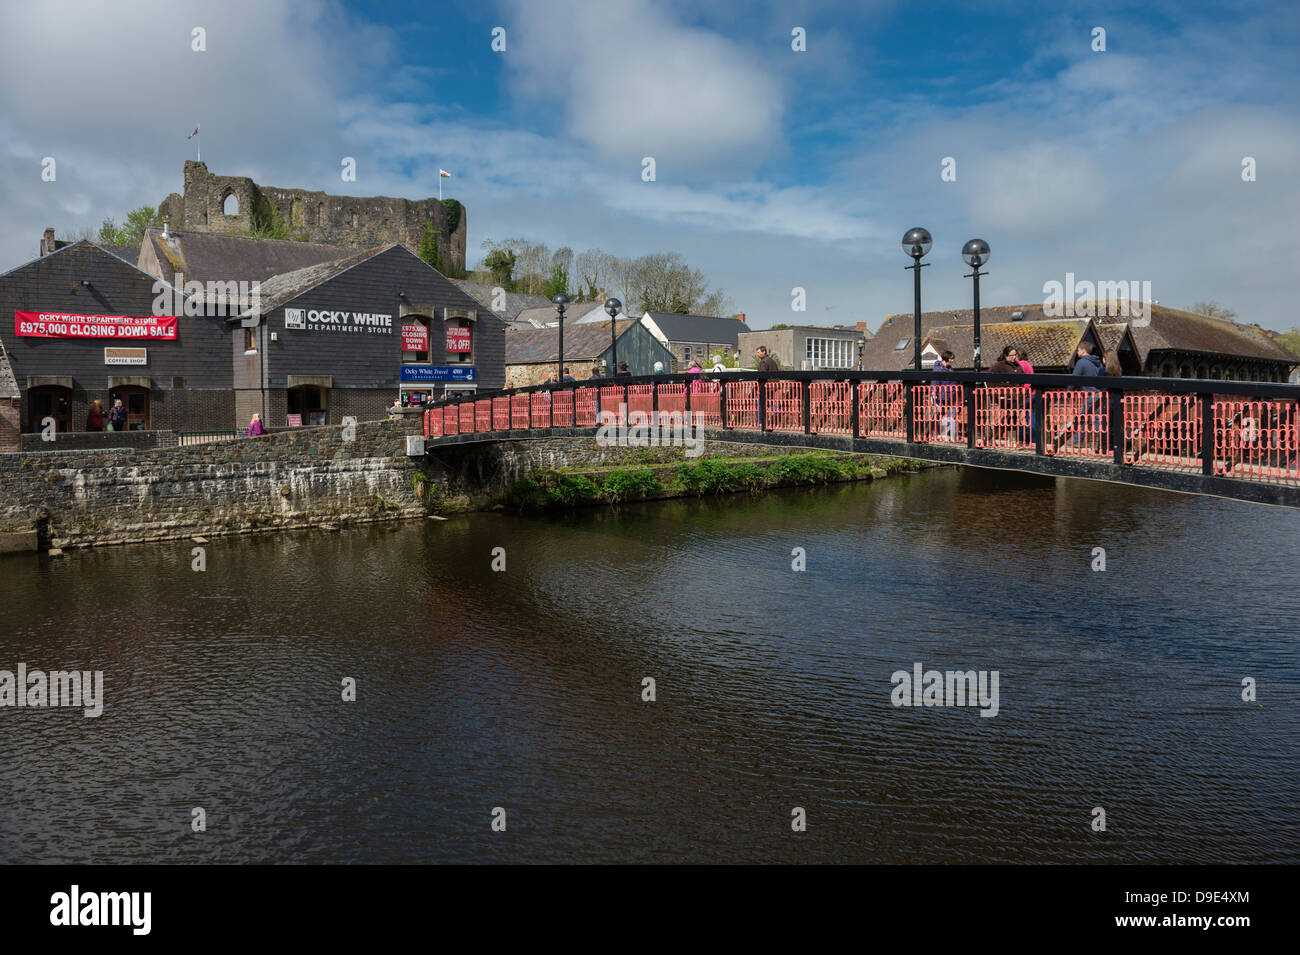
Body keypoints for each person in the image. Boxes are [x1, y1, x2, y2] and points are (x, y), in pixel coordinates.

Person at [930, 350, 960, 441]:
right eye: (951, 359)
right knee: (936, 416)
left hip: (950, 397)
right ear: (946, 359)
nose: (952, 360)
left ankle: (951, 436)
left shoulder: (951, 369)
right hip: (940, 398)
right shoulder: (937, 370)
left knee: (952, 416)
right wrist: (934, 398)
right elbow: (934, 383)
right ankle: (930, 433)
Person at [1017, 349, 1036, 445]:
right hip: (1033, 393)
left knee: (1021, 416)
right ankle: (1033, 439)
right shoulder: (1027, 364)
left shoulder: (1020, 364)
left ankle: (1022, 439)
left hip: (1025, 394)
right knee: (1031, 415)